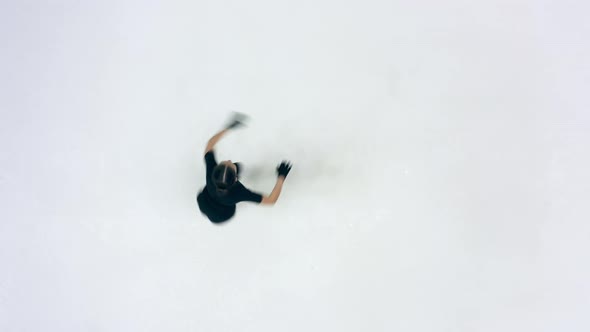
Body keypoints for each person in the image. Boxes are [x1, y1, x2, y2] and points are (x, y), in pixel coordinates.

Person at [197, 112, 293, 223]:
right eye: (230, 165)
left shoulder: (211, 171)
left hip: (211, 194)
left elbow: (210, 144)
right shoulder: (239, 193)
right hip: (222, 212)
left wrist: (228, 128)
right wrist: (281, 177)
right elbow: (271, 200)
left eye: (225, 163)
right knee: (237, 168)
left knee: (237, 166)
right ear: (236, 179)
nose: (228, 160)